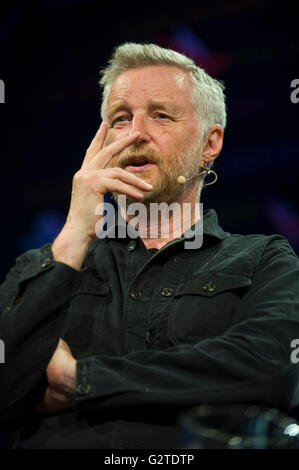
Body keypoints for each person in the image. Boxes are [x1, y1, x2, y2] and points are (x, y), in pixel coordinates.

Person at [0, 42, 299, 449]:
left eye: (160, 115)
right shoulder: (40, 267)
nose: (136, 133)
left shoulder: (265, 261)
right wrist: (73, 235)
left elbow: (271, 370)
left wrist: (78, 379)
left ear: (210, 144)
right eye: (121, 119)